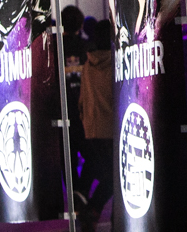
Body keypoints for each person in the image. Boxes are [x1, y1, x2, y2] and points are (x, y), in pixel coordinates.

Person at [78, 21, 115, 232]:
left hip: (92, 129)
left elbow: (82, 100)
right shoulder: (116, 62)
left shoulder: (88, 65)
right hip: (112, 128)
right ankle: (93, 209)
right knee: (114, 177)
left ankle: (90, 209)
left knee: (107, 174)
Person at [61, 5, 88, 199]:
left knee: (68, 155)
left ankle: (74, 193)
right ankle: (82, 191)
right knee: (92, 154)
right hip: (85, 108)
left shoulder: (56, 47)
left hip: (63, 110)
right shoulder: (88, 47)